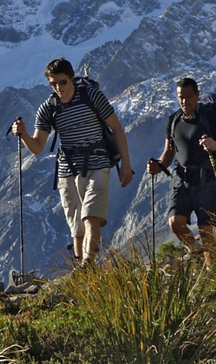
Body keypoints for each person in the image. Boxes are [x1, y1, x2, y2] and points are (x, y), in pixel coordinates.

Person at [11, 58, 133, 267]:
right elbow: (38, 146)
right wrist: (22, 134)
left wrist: (126, 165)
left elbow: (117, 128)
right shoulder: (49, 108)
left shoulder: (92, 97)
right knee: (77, 227)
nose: (58, 88)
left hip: (97, 162)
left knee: (91, 217)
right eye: (53, 84)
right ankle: (83, 274)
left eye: (62, 82)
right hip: (68, 169)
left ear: (72, 79)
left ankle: (88, 263)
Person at [146, 77, 216, 265]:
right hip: (182, 177)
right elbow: (169, 152)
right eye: (181, 97)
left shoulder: (210, 116)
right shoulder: (173, 120)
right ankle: (197, 253)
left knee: (205, 228)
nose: (184, 101)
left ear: (197, 95)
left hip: (208, 178)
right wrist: (159, 165)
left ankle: (213, 272)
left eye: (188, 97)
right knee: (175, 223)